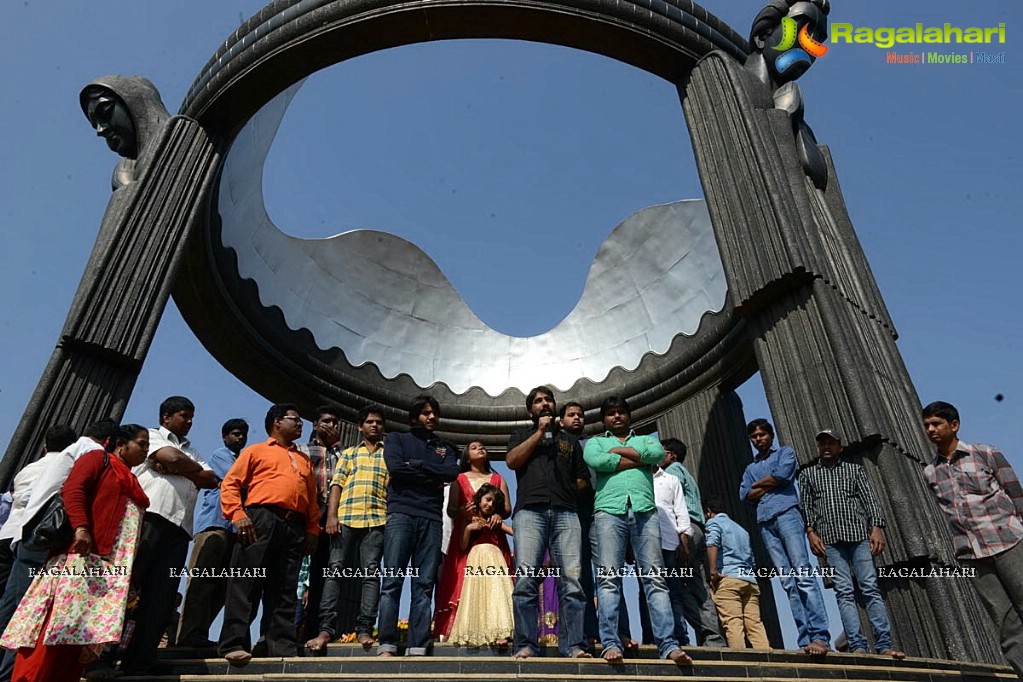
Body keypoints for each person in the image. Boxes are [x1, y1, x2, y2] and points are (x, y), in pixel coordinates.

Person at [0, 424, 151, 682]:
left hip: (107, 567)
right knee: (55, 628)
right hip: (80, 558)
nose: (145, 451)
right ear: (120, 444)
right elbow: (73, 489)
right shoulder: (97, 459)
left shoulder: (132, 480)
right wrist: (81, 527)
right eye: (141, 444)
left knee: (81, 635)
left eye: (148, 446)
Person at [584, 396, 692, 665]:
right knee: (609, 578)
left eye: (621, 412)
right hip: (608, 511)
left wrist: (619, 455)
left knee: (655, 579)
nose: (617, 416)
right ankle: (610, 642)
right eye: (611, 413)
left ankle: (668, 644)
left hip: (645, 510)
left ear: (629, 416)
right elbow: (596, 461)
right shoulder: (597, 442)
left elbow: (655, 455)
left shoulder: (646, 438)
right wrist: (639, 459)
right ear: (604, 419)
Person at [922, 401, 1023, 679]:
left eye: (936, 424)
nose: (931, 429)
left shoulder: (985, 454)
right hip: (971, 554)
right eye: (927, 425)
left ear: (954, 425)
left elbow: (1015, 493)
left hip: (1008, 542)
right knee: (1004, 622)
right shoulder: (930, 472)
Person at [118, 396, 217, 675]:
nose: (190, 422)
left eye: (191, 416)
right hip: (149, 519)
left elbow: (210, 479)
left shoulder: (193, 450)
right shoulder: (150, 436)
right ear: (166, 417)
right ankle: (104, 655)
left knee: (161, 598)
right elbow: (171, 457)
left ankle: (140, 660)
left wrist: (180, 467)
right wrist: (187, 468)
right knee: (130, 589)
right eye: (184, 416)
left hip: (180, 529)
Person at [218, 403, 320, 666]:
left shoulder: (304, 459)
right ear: (277, 422)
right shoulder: (255, 451)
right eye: (294, 419)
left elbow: (312, 500)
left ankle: (281, 646)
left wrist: (312, 529)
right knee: (245, 584)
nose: (300, 424)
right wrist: (238, 515)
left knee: (285, 589)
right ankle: (234, 643)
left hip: (294, 526)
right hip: (260, 519)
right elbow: (230, 485)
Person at [799, 429, 904, 659]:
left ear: (840, 447)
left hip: (859, 535)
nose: (826, 447)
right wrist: (810, 533)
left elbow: (870, 501)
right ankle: (857, 645)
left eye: (831, 443)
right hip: (830, 540)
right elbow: (806, 508)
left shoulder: (854, 470)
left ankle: (884, 644)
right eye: (822, 443)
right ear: (818, 448)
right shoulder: (807, 475)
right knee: (844, 592)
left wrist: (876, 529)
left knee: (870, 589)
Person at [506, 387, 590, 660]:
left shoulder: (569, 440)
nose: (544, 404)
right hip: (530, 512)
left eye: (548, 400)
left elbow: (581, 480)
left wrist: (564, 488)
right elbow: (512, 460)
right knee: (526, 582)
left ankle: (574, 645)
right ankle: (526, 644)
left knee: (573, 581)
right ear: (531, 410)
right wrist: (540, 433)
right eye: (538, 401)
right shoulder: (521, 434)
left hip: (566, 513)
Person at [377, 396, 459, 657]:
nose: (431, 417)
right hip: (401, 513)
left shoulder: (444, 447)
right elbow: (396, 468)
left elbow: (450, 474)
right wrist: (429, 472)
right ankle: (387, 643)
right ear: (414, 417)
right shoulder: (397, 439)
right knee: (392, 581)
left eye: (434, 412)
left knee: (424, 584)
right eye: (425, 413)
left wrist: (418, 465)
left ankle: (417, 644)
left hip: (432, 518)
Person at [740, 418, 830, 655]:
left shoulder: (785, 453)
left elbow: (783, 476)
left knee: (803, 574)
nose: (758, 439)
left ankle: (820, 636)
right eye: (754, 437)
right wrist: (769, 482)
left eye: (762, 435)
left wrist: (760, 485)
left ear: (770, 435)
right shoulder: (750, 468)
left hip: (788, 515)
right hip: (765, 522)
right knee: (788, 582)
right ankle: (804, 639)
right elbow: (745, 496)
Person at [306, 404, 388, 652]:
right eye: (370, 422)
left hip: (377, 520)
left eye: (378, 422)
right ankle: (325, 630)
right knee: (334, 572)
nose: (374, 425)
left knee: (371, 574)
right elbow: (336, 486)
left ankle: (364, 630)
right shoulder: (349, 454)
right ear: (360, 427)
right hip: (346, 518)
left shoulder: (389, 455)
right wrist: (331, 516)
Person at [177, 418, 249, 647]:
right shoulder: (221, 455)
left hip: (233, 530)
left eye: (243, 434)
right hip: (213, 526)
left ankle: (199, 633)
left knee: (220, 586)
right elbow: (239, 481)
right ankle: (186, 636)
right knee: (201, 583)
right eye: (236, 434)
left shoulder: (241, 459)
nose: (240, 438)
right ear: (225, 437)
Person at [434, 441, 512, 642]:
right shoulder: (458, 479)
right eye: (475, 447)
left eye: (483, 446)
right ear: (467, 456)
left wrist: (498, 516)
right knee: (464, 582)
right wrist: (463, 513)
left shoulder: (497, 478)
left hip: (493, 537)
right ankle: (464, 628)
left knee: (494, 582)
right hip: (466, 537)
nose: (481, 448)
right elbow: (451, 510)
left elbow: (507, 509)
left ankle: (497, 627)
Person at [660, 438, 726, 647]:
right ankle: (714, 638)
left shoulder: (673, 472)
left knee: (675, 585)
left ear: (671, 455)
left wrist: (681, 538)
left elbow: (670, 501)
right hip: (697, 529)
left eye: (660, 451)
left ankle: (695, 631)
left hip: (684, 531)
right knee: (698, 584)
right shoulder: (686, 473)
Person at [447, 483, 515, 647]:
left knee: (497, 593)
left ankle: (502, 632)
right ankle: (477, 630)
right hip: (476, 558)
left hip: (495, 558)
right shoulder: (469, 520)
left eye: (494, 503)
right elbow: (462, 546)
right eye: (488, 500)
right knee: (476, 595)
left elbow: (514, 533)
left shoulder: (494, 521)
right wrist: (470, 528)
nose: (490, 505)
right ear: (479, 499)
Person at [636, 456, 691, 646]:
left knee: (673, 592)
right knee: (645, 592)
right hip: (642, 543)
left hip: (669, 543)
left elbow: (681, 511)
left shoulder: (671, 480)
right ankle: (651, 637)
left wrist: (683, 541)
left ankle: (680, 636)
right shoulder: (636, 479)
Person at [703, 495, 770, 650]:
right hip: (749, 580)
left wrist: (713, 573)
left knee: (733, 623)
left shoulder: (713, 523)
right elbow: (752, 559)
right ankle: (768, 659)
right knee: (755, 624)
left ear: (708, 511)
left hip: (728, 578)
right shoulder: (741, 529)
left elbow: (711, 543)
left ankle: (741, 660)